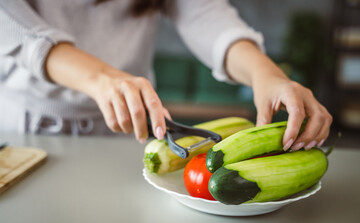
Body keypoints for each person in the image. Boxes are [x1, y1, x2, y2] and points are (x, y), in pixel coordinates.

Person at [0, 0, 332, 152]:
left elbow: (207, 16)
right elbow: (23, 35)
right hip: (24, 133)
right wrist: (103, 80)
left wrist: (267, 75)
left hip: (131, 136)